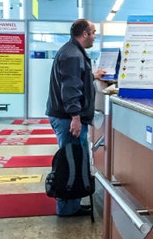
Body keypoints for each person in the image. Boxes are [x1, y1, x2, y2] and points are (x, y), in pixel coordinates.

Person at [46, 19, 107, 217]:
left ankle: (70, 205)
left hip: (66, 116)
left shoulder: (72, 52)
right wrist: (75, 118)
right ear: (84, 34)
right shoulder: (72, 55)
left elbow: (76, 79)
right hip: (68, 118)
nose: (95, 35)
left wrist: (93, 75)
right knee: (70, 162)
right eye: (93, 32)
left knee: (73, 159)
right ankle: (66, 208)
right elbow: (70, 89)